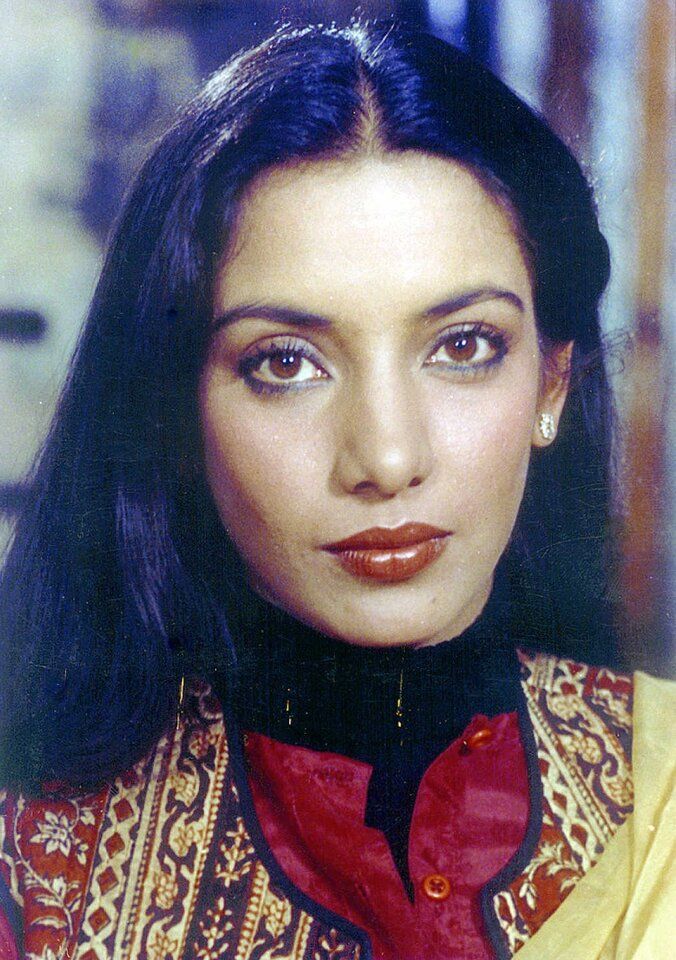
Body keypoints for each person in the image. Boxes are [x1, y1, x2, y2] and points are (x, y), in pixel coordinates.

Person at [0, 19, 673, 960]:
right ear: (178, 410)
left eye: (463, 346)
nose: (386, 459)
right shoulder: (33, 867)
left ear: (552, 385)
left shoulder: (662, 793)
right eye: (286, 363)